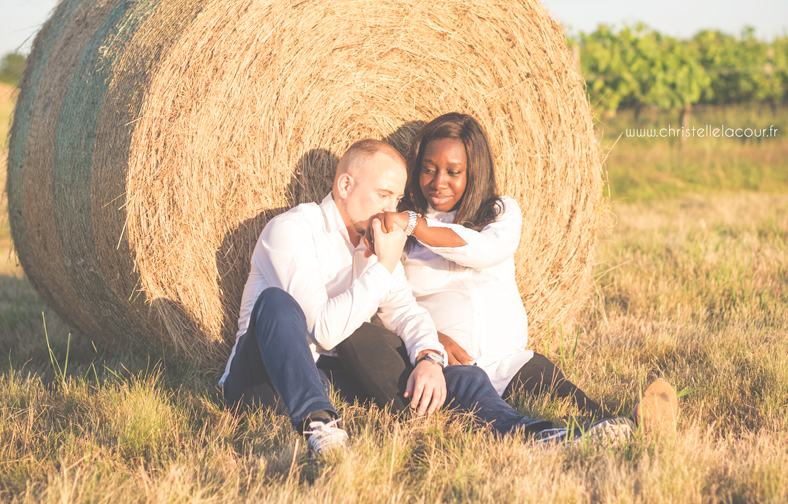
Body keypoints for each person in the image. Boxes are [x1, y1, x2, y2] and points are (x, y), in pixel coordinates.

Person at [219, 138, 635, 459]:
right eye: (384, 195)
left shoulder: (375, 240)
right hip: (264, 376)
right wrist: (382, 266)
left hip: (331, 374)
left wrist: (429, 360)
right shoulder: (292, 230)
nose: (393, 208)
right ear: (345, 185)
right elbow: (325, 331)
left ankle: (538, 435)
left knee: (464, 378)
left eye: (398, 199)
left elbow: (405, 310)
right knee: (276, 302)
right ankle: (319, 425)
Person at [372, 113, 678, 431]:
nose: (438, 182)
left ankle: (628, 426)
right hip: (453, 366)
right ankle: (614, 431)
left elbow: (485, 251)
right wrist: (429, 337)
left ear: (474, 171)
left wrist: (415, 224)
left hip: (510, 361)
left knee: (566, 399)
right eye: (429, 170)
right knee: (508, 422)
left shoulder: (499, 212)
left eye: (453, 172)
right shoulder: (398, 233)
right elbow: (386, 300)